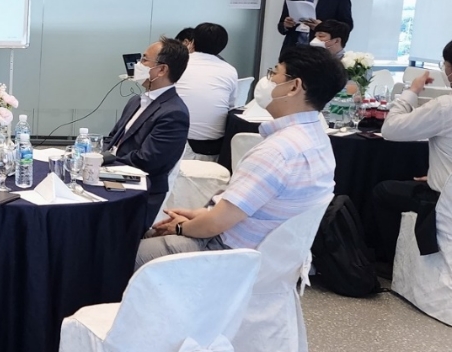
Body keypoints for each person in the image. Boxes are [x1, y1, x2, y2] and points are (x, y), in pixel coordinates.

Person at [138, 46, 346, 268]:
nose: (268, 81)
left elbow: (215, 225)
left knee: (116, 253)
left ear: (294, 86)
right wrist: (199, 215)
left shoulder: (278, 152)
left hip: (224, 254)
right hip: (269, 257)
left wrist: (180, 227)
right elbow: (247, 208)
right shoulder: (319, 141)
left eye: (274, 73)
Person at [372, 42, 452, 263]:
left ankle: (391, 261)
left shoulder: (445, 107)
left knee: (383, 191)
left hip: (444, 201)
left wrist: (412, 91)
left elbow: (390, 129)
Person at [103, 38, 191, 227]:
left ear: (161, 70)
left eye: (144, 60)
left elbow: (147, 160)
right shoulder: (136, 101)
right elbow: (112, 138)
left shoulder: (174, 113)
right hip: (112, 175)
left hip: (138, 191)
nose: (137, 65)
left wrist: (106, 161)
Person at [176, 23, 239, 160]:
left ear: (192, 42)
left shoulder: (179, 63)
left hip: (178, 144)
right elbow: (230, 106)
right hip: (215, 149)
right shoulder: (230, 70)